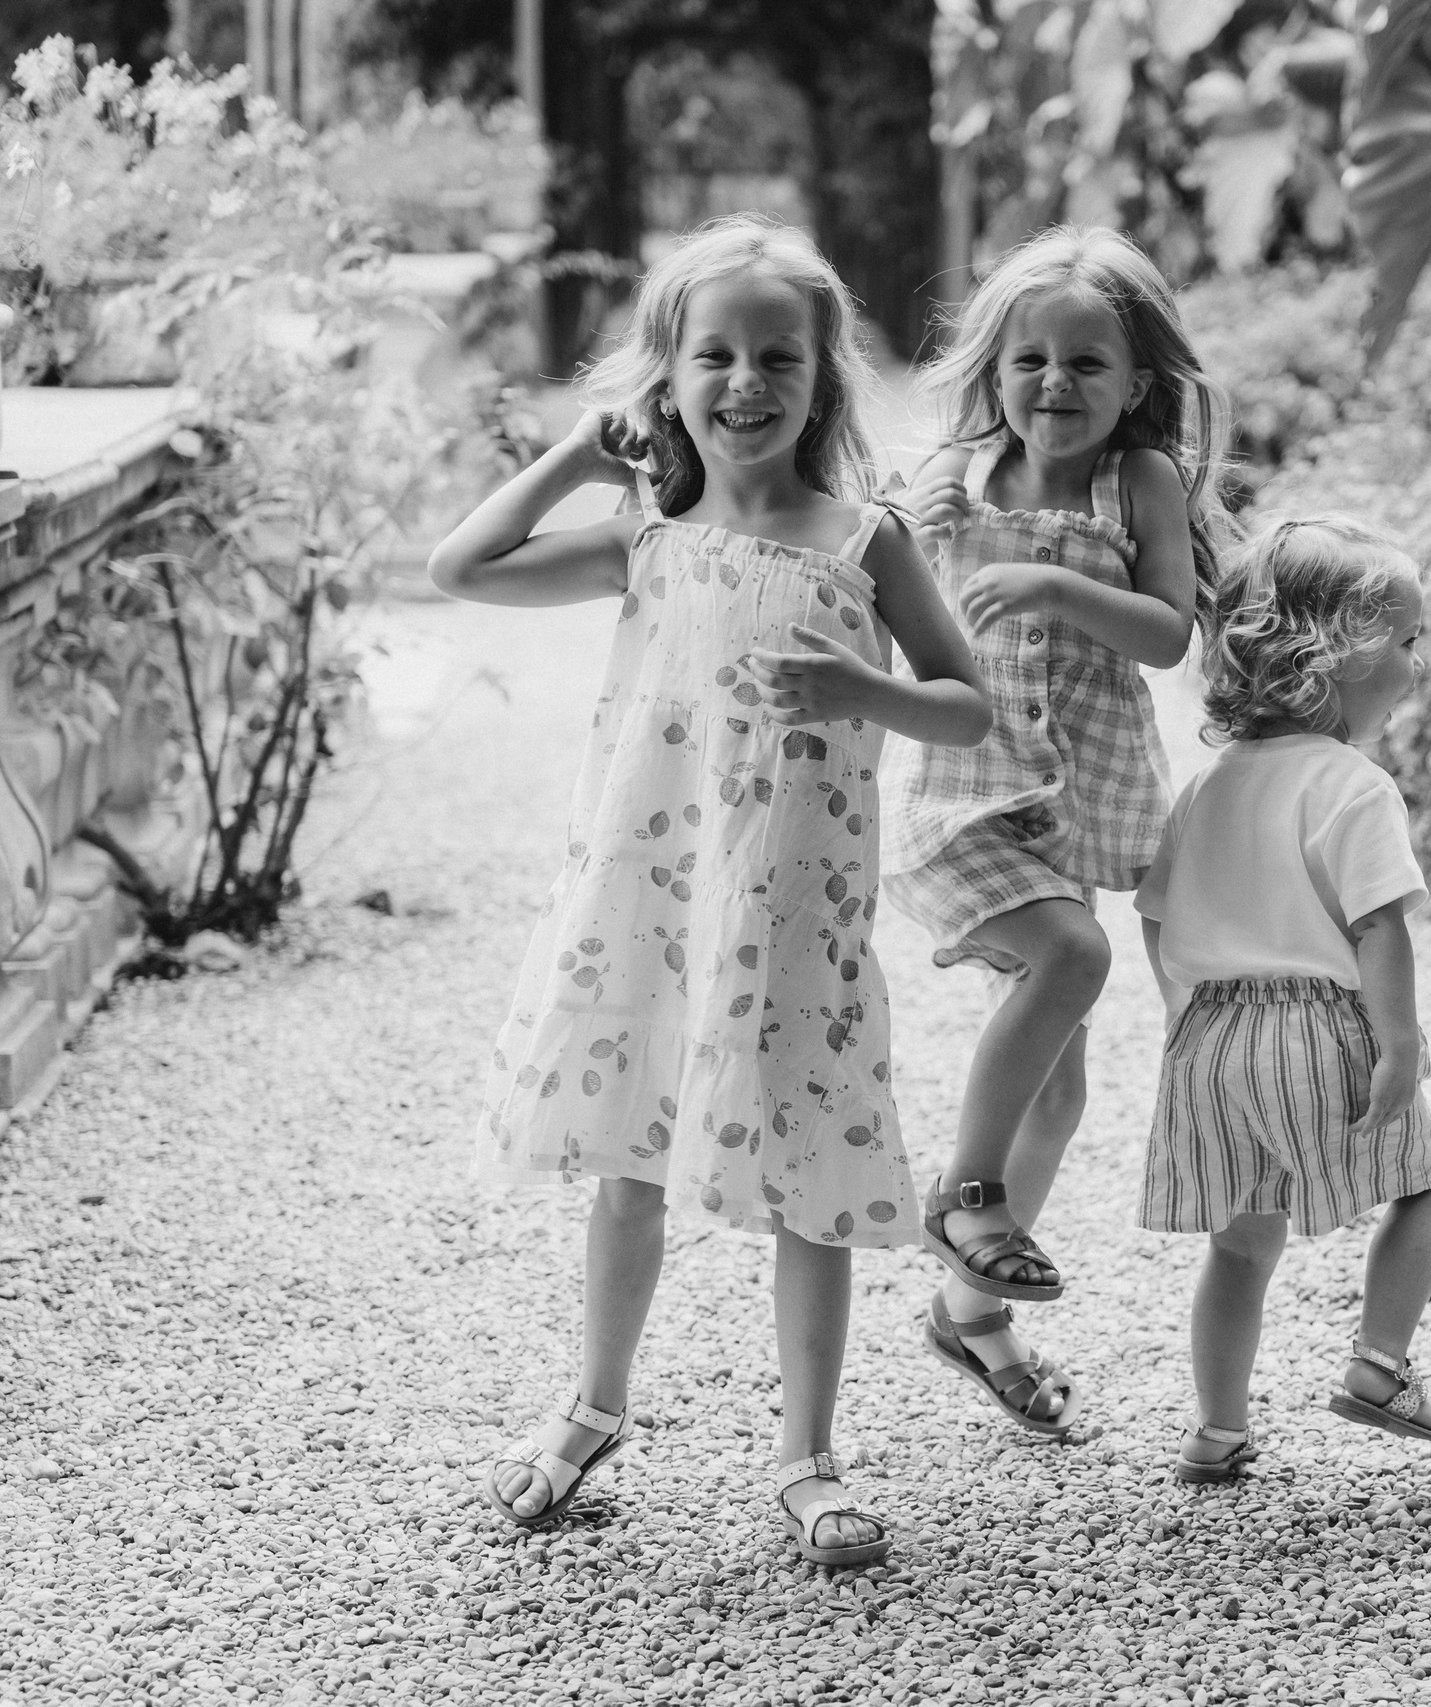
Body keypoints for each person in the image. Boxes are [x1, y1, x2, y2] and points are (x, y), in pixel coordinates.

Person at [429, 216, 991, 1567]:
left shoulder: (865, 540)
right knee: (629, 1158)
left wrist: (867, 689)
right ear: (668, 379)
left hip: (793, 911)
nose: (747, 382)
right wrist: (575, 454)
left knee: (809, 1171)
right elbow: (461, 568)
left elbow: (967, 707)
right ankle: (591, 1406)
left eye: (777, 356)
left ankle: (808, 1455)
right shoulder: (646, 536)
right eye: (715, 355)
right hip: (653, 901)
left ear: (821, 379)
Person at [889, 227, 1231, 1437]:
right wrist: (921, 533)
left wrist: (1053, 585)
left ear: (1138, 381)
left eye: (1087, 364)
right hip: (961, 798)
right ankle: (967, 1197)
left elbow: (1166, 633)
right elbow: (885, 599)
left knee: (1062, 1087)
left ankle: (969, 1316)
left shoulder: (1136, 483)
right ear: (996, 368)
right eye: (1030, 360)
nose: (1054, 385)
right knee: (1072, 962)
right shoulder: (953, 474)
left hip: (1073, 811)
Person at [1134, 516, 1431, 1484]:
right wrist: (1395, 1043)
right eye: (1406, 642)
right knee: (1427, 1179)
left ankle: (1217, 1430)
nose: (1417, 664)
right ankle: (1377, 1364)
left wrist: (1184, 1010)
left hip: (1207, 1038)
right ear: (1340, 659)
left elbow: (1155, 918)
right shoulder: (1353, 787)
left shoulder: (1204, 789)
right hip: (1317, 1028)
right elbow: (1377, 927)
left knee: (1240, 1245)